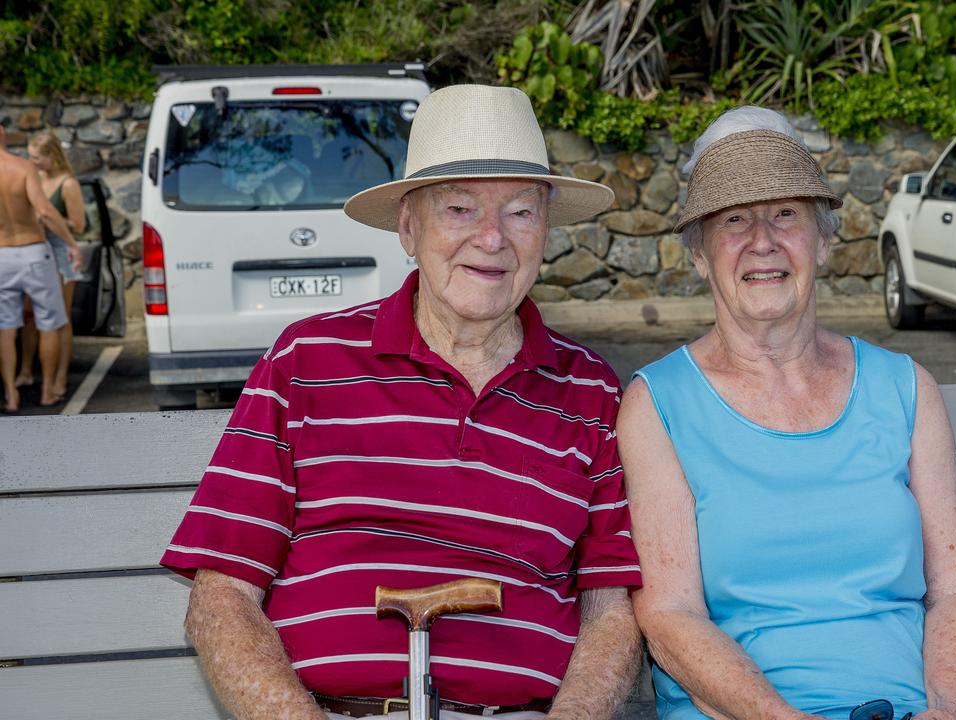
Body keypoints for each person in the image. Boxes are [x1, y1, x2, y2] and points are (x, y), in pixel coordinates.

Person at [161, 85, 643, 720]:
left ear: (546, 229)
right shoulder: (306, 360)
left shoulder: (591, 391)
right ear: (409, 229)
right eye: (460, 209)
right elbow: (222, 594)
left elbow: (611, 609)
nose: (492, 239)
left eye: (521, 212)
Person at [618, 108, 956, 720]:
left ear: (822, 240)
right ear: (699, 255)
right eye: (735, 220)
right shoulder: (658, 405)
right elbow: (670, 612)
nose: (762, 241)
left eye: (786, 215)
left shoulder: (905, 387)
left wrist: (952, 711)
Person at [0, 124, 78, 412]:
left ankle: (10, 393)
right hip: (33, 251)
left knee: (6, 327)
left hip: (2, 254)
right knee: (50, 323)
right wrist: (71, 243)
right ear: (3, 134)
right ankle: (47, 391)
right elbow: (45, 211)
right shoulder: (22, 168)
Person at [17, 131, 87, 402]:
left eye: (36, 158)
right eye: (29, 157)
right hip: (35, 251)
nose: (31, 162)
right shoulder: (36, 178)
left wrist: (50, 220)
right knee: (31, 315)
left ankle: (60, 378)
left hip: (60, 254)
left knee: (61, 318)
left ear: (52, 156)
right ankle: (25, 371)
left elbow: (78, 225)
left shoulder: (68, 184)